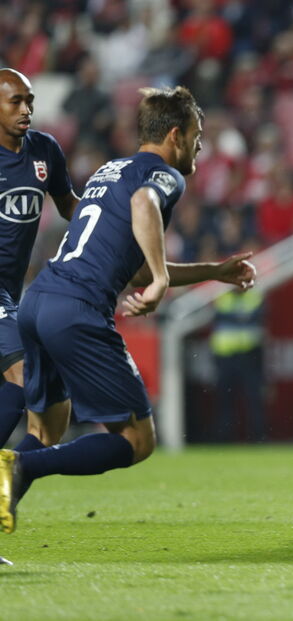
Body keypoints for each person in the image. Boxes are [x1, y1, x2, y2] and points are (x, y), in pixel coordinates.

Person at [0, 85, 256, 534]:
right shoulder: (162, 175)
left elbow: (134, 270)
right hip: (77, 310)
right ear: (175, 135)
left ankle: (12, 479)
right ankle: (18, 468)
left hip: (38, 301)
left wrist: (214, 270)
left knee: (46, 429)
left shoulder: (110, 170)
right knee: (138, 440)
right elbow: (144, 208)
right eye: (197, 136)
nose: (200, 146)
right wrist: (160, 278)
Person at [0, 69, 80, 448]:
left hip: (12, 291)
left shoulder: (44, 150)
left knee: (33, 390)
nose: (25, 109)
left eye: (29, 100)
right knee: (23, 372)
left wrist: (109, 224)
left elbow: (69, 207)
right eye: (15, 101)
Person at [210, 287, 265, 442]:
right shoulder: (222, 298)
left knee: (254, 398)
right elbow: (219, 316)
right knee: (225, 400)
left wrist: (231, 317)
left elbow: (257, 316)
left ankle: (257, 437)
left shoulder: (255, 297)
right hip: (225, 356)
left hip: (249, 355)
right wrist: (242, 317)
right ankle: (224, 438)